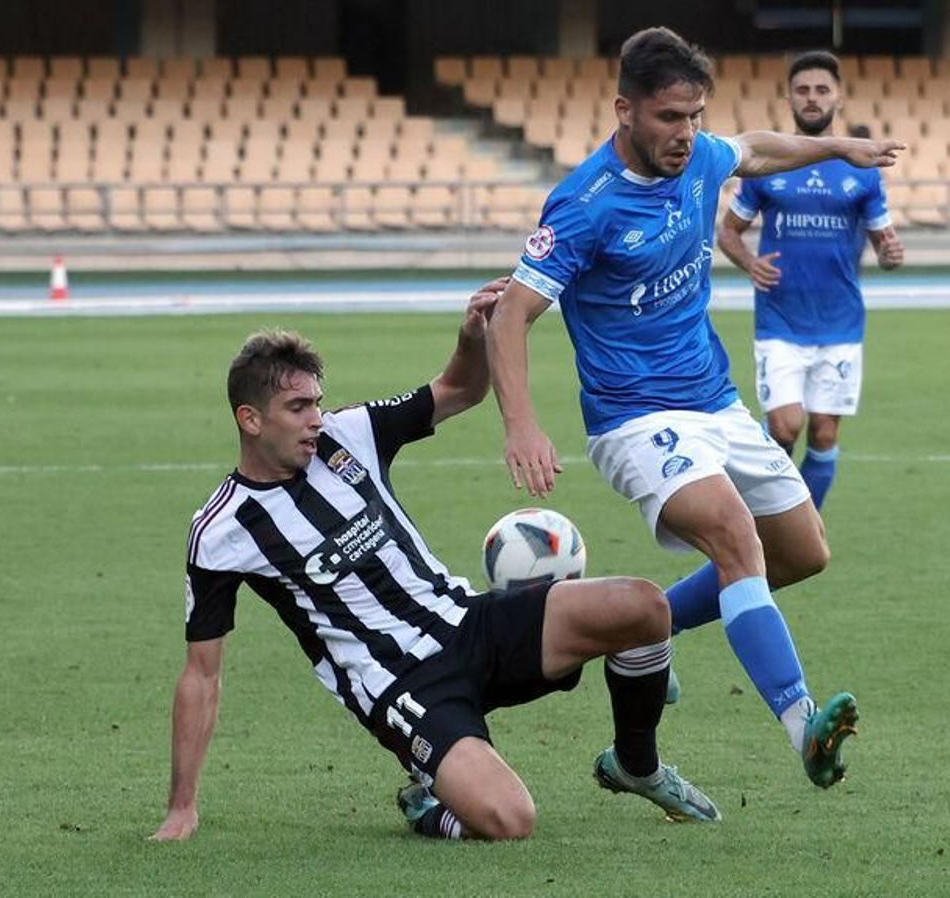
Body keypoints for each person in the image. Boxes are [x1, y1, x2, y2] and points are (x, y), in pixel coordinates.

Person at [151, 279, 721, 845]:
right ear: (250, 419)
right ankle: (428, 803)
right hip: (405, 687)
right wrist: (182, 808)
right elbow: (201, 674)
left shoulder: (351, 433)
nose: (315, 419)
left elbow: (460, 389)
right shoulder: (222, 531)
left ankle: (635, 765)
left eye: (317, 403)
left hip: (469, 622)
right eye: (297, 408)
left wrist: (472, 337)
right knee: (509, 820)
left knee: (644, 607)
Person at [485, 27, 904, 790]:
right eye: (669, 117)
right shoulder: (585, 204)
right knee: (736, 541)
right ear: (625, 110)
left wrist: (840, 147)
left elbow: (756, 147)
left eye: (694, 116)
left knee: (803, 551)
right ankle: (801, 721)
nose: (686, 134)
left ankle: (641, 633)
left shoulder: (704, 155)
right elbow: (509, 314)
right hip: (634, 418)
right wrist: (522, 423)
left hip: (714, 401)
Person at [717, 51, 905, 511]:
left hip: (840, 321)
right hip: (780, 319)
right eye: (803, 90)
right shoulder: (770, 165)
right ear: (789, 99)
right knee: (783, 427)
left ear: (838, 97)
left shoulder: (863, 170)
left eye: (821, 89)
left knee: (823, 431)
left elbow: (884, 243)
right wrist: (749, 263)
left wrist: (890, 255)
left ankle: (801, 528)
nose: (812, 98)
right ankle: (764, 513)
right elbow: (728, 231)